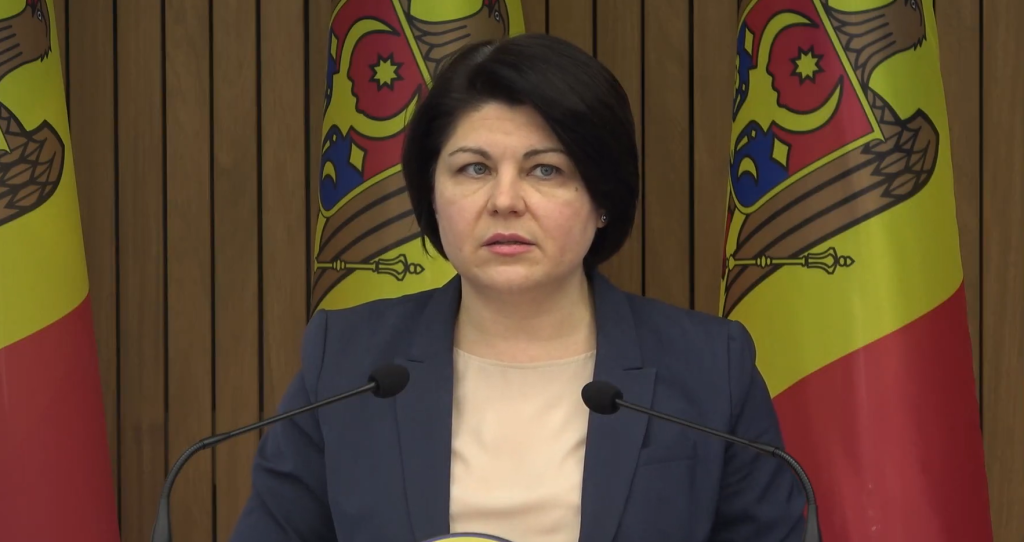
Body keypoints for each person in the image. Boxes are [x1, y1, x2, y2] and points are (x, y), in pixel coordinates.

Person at [230, 32, 806, 542]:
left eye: (544, 170)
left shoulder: (709, 369)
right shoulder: (349, 363)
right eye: (474, 169)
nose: (505, 200)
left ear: (602, 198)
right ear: (432, 195)